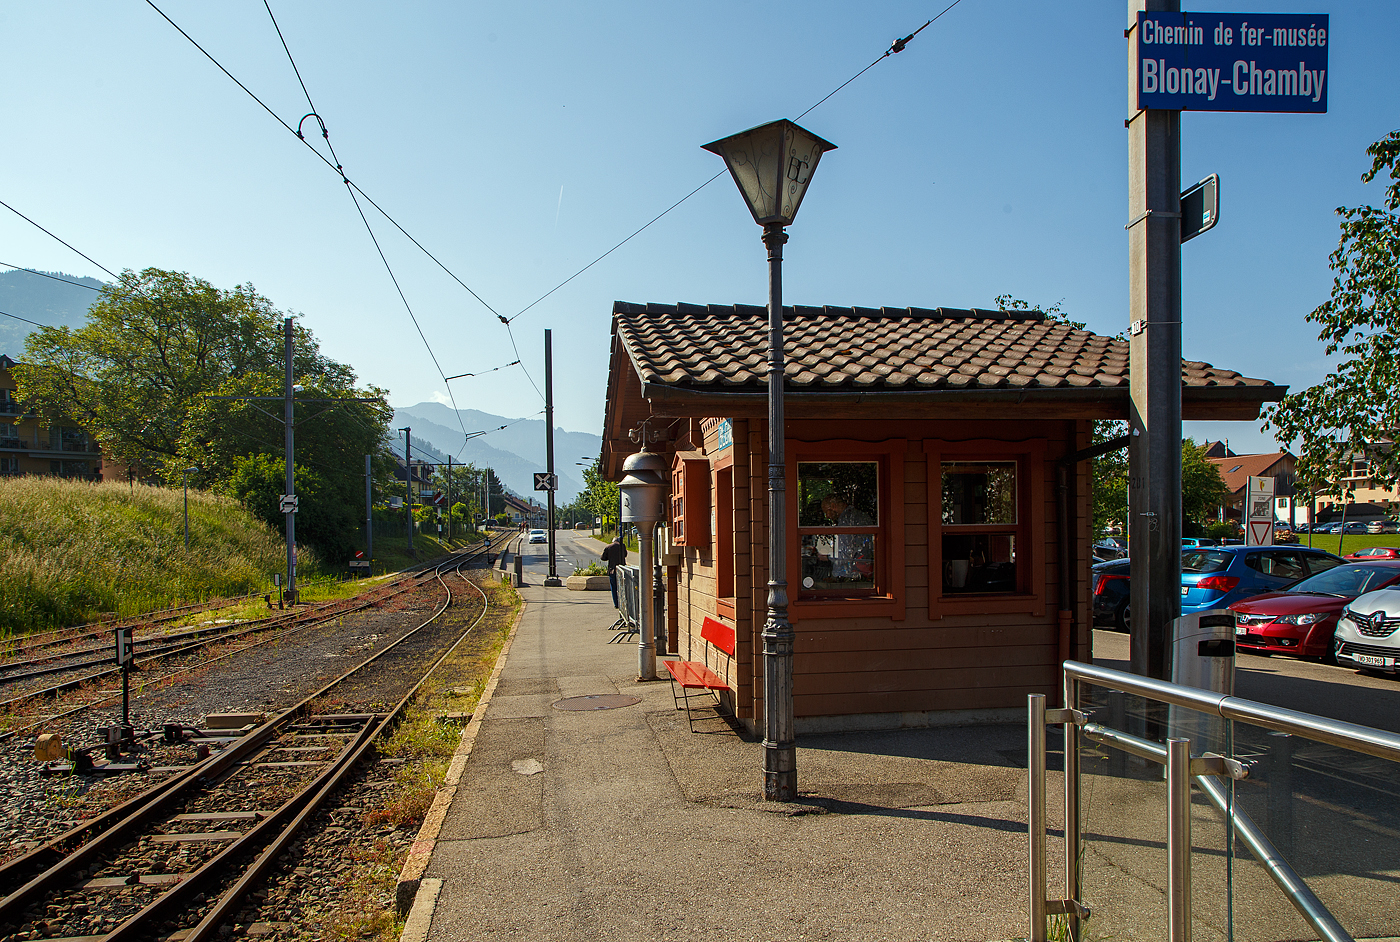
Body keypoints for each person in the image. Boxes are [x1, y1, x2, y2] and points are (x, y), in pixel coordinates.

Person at [821, 493, 874, 580]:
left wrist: (827, 557)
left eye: (827, 512)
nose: (827, 516)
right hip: (867, 568)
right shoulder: (859, 515)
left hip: (854, 572)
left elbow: (846, 551)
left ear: (833, 506)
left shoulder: (846, 520)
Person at [601, 534, 627, 608]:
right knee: (622, 587)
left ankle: (616, 604)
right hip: (622, 569)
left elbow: (603, 558)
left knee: (614, 587)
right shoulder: (622, 546)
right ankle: (623, 603)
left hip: (612, 569)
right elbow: (625, 555)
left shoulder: (608, 547)